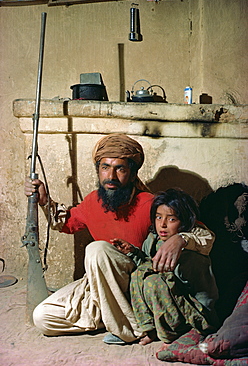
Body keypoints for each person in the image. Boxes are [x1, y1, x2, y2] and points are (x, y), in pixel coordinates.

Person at [24, 133, 216, 345]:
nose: (111, 177)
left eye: (120, 169)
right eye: (105, 167)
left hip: (137, 287)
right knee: (43, 318)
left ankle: (131, 329)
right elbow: (67, 222)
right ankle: (113, 317)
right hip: (102, 287)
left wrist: (179, 239)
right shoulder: (93, 202)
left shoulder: (150, 204)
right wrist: (44, 200)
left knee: (96, 250)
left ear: (133, 174)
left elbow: (204, 235)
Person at [113, 189, 219, 347]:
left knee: (154, 282)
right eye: (158, 217)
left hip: (196, 313)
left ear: (183, 221)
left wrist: (180, 239)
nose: (162, 224)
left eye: (171, 219)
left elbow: (206, 239)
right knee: (138, 274)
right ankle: (150, 328)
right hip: (173, 304)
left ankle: (173, 334)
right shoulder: (153, 239)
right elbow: (149, 263)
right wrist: (133, 252)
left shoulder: (194, 243)